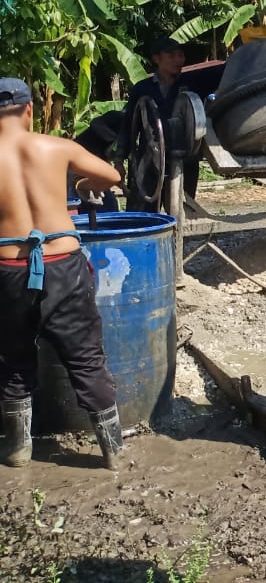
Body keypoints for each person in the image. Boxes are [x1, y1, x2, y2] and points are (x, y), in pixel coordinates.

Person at [0, 78, 126, 469]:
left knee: (11, 359)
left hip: (8, 270)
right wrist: (86, 184)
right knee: (86, 358)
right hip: (63, 265)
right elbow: (112, 177)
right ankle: (114, 453)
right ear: (30, 110)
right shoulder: (57, 147)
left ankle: (19, 451)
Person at [116, 35, 198, 208]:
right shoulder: (143, 88)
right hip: (148, 161)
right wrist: (119, 161)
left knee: (181, 213)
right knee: (142, 216)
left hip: (184, 161)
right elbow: (129, 126)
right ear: (156, 58)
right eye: (171, 55)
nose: (178, 60)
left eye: (180, 55)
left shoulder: (192, 84)